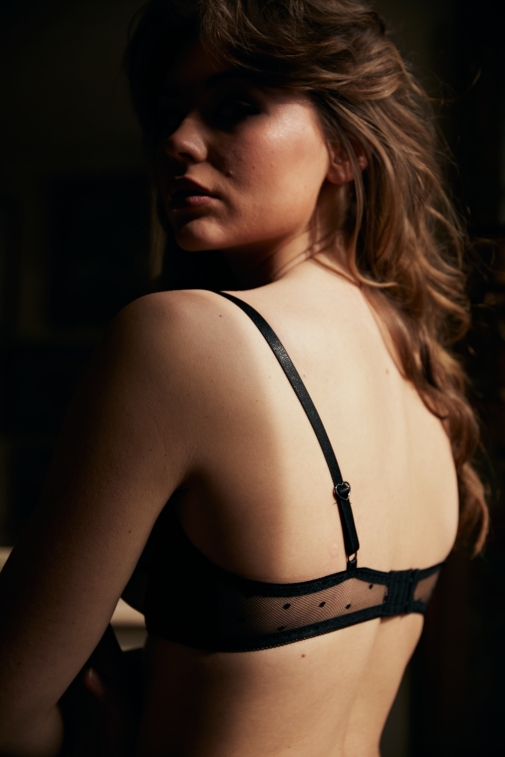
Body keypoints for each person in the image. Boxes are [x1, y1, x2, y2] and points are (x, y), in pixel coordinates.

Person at [0, 0, 488, 755]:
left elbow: (8, 710)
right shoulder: (423, 379)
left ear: (346, 148)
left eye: (234, 108)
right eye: (169, 113)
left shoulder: (181, 338)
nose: (178, 140)